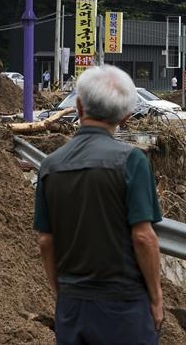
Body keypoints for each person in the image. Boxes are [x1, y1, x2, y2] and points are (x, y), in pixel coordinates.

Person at [34, 65, 163, 344]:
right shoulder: (132, 161)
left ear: (79, 106)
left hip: (72, 305)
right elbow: (143, 237)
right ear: (126, 117)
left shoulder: (50, 166)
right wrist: (156, 299)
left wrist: (62, 294)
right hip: (124, 307)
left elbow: (45, 242)